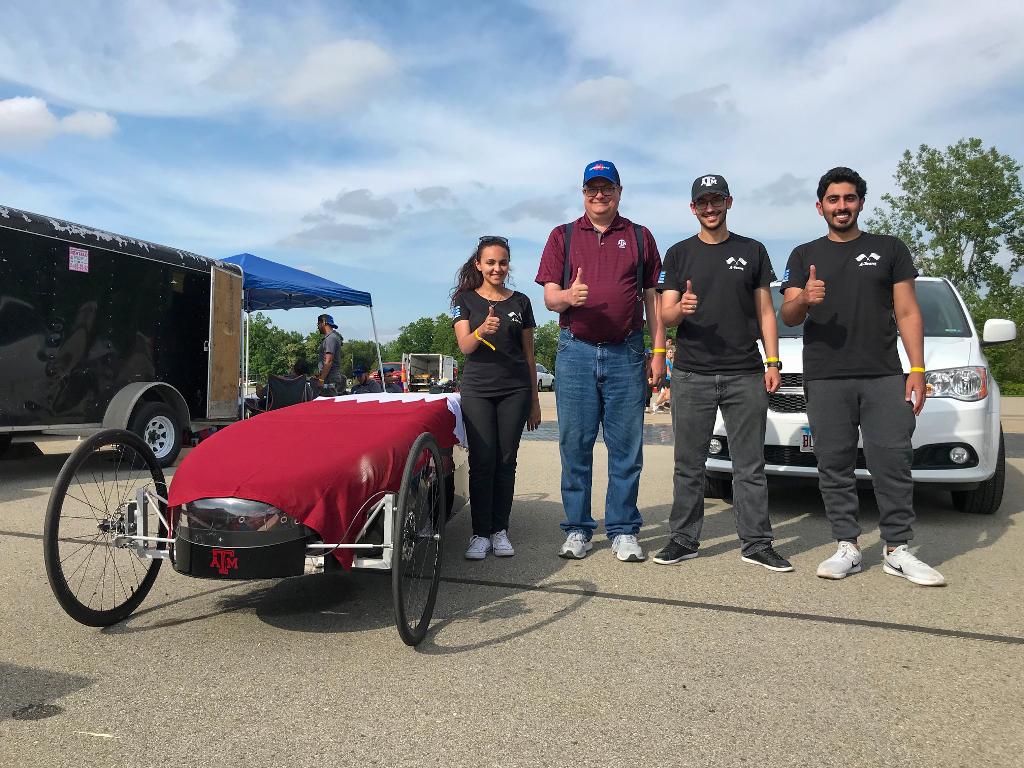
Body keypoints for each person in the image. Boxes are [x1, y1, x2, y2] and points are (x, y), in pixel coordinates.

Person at [780, 166, 944, 586]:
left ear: (860, 203)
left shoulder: (889, 249)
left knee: (892, 459)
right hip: (826, 377)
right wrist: (805, 299)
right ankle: (847, 546)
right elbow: (789, 314)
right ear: (820, 207)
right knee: (833, 464)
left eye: (849, 198)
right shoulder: (803, 255)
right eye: (833, 199)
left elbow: (908, 311)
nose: (841, 206)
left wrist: (918, 368)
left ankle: (897, 549)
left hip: (882, 374)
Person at [652, 174, 793, 572]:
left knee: (749, 464)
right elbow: (666, 313)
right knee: (688, 463)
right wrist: (683, 308)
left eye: (716, 201)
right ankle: (683, 539)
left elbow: (767, 311)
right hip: (692, 373)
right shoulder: (679, 254)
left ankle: (757, 543)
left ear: (729, 202)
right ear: (692, 208)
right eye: (702, 202)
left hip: (744, 372)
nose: (710, 208)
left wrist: (773, 362)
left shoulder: (752, 250)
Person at [535, 160, 666, 562]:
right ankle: (577, 528)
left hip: (626, 351)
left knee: (626, 447)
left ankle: (624, 529)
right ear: (583, 193)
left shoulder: (641, 237)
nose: (599, 195)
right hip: (575, 350)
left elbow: (652, 300)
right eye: (592, 188)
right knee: (574, 445)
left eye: (606, 187)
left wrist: (658, 351)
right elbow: (549, 296)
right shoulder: (563, 236)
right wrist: (567, 298)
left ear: (619, 191)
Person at [452, 235, 541, 559]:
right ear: (479, 264)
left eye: (502, 262)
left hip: (515, 390)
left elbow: (529, 355)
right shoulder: (465, 300)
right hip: (477, 390)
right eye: (490, 262)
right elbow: (464, 346)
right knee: (482, 462)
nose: (497, 268)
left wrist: (533, 401)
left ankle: (499, 530)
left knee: (506, 461)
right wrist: (481, 330)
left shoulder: (521, 302)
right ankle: (480, 534)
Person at [314, 314, 345, 395]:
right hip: (328, 377)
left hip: (330, 379)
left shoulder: (330, 338)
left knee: (329, 404)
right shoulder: (330, 338)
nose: (318, 327)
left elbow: (329, 361)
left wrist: (321, 379)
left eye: (318, 324)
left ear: (324, 323)